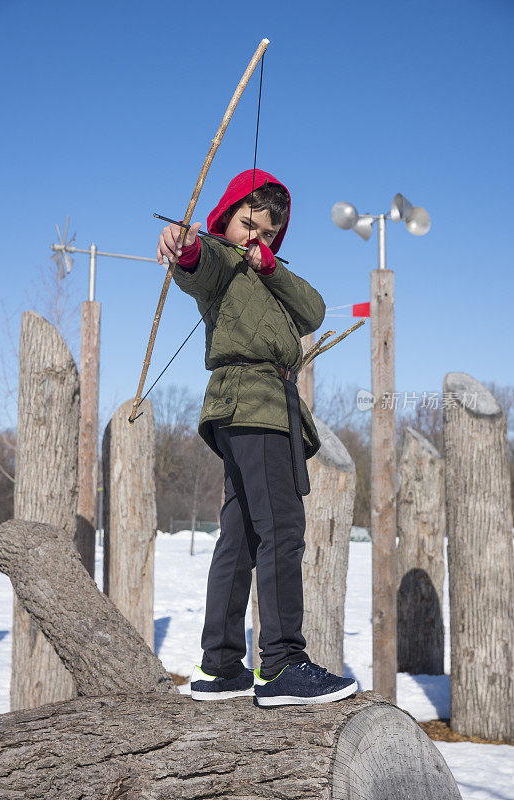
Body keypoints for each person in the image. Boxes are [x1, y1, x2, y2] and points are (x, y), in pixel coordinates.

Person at [157, 168, 357, 707]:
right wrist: (185, 245)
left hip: (257, 406)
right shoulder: (221, 256)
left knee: (242, 534)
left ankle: (220, 666)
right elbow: (197, 265)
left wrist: (269, 267)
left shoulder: (267, 274)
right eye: (249, 225)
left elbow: (313, 310)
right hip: (253, 403)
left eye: (268, 233)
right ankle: (283, 665)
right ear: (226, 219)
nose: (256, 239)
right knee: (283, 529)